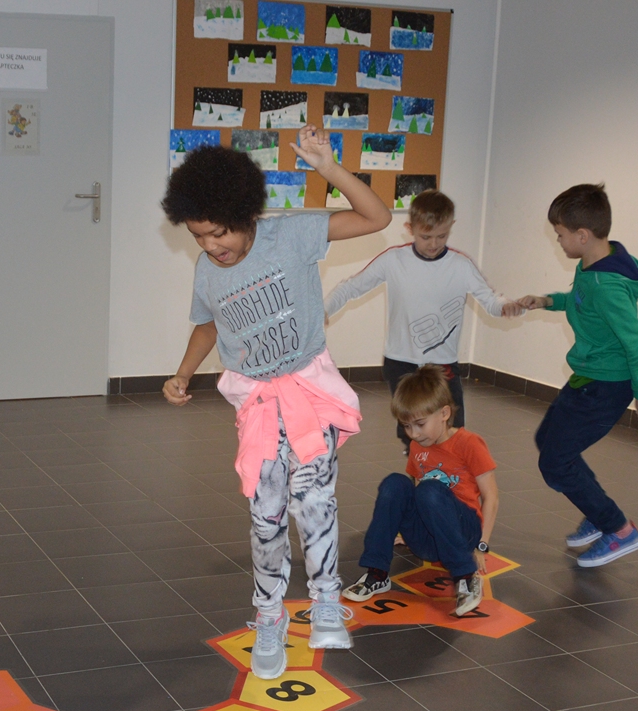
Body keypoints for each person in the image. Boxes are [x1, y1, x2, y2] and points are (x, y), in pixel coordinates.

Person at [160, 129, 391, 678]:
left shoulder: (292, 236)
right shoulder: (206, 271)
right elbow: (208, 325)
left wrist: (329, 168)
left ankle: (326, 599)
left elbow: (377, 217)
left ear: (244, 214)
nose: (210, 246)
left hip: (309, 390)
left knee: (314, 503)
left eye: (218, 232)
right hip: (259, 404)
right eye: (198, 236)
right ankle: (269, 616)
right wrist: (182, 373)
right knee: (265, 519)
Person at [512, 182, 638, 567]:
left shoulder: (608, 285)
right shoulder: (594, 265)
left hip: (607, 386)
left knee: (556, 461)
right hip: (587, 378)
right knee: (548, 440)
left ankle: (619, 530)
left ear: (582, 235)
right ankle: (598, 514)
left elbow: (636, 342)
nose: (558, 241)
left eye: (560, 235)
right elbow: (581, 302)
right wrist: (548, 301)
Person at [323, 189, 525, 448]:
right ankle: (419, 468)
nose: (433, 244)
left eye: (442, 236)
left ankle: (446, 473)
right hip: (401, 363)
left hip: (442, 365)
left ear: (451, 226)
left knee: (452, 431)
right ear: (410, 228)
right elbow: (351, 287)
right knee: (413, 432)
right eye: (425, 236)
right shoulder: (394, 260)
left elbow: (491, 300)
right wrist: (324, 309)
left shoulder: (461, 266)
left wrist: (507, 306)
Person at [345, 366, 498, 616]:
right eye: (406, 426)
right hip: (430, 539)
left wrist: (481, 545)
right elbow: (415, 491)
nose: (413, 434)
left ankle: (466, 576)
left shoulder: (469, 443)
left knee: (430, 490)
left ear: (444, 413)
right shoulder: (418, 446)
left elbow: (491, 497)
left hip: (463, 533)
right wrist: (408, 531)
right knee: (395, 483)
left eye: (420, 424)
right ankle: (377, 573)